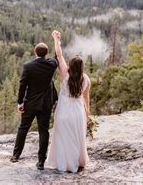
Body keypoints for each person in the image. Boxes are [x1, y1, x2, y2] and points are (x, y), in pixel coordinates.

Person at [47, 30, 90, 173]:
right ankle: (77, 163)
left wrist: (56, 39)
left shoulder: (65, 73)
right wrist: (87, 113)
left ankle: (64, 163)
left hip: (64, 111)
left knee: (63, 138)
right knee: (77, 138)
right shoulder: (86, 79)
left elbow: (59, 54)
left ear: (70, 65)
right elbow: (86, 98)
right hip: (78, 112)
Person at [10, 42, 58, 170]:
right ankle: (41, 161)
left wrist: (20, 102)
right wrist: (57, 41)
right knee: (43, 131)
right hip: (45, 104)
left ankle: (16, 155)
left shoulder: (28, 66)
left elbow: (22, 86)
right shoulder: (52, 65)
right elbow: (57, 56)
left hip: (30, 103)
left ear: (34, 52)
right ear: (46, 53)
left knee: (23, 128)